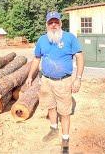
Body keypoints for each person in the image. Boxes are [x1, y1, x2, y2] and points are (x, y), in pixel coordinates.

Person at [26, 11, 84, 151]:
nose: (53, 25)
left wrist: (78, 79)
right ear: (46, 24)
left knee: (64, 113)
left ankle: (65, 141)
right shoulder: (42, 40)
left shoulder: (70, 38)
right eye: (50, 22)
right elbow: (37, 58)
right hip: (46, 81)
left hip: (64, 82)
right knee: (51, 107)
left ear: (60, 23)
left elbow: (80, 57)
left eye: (56, 22)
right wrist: (29, 76)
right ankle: (53, 129)